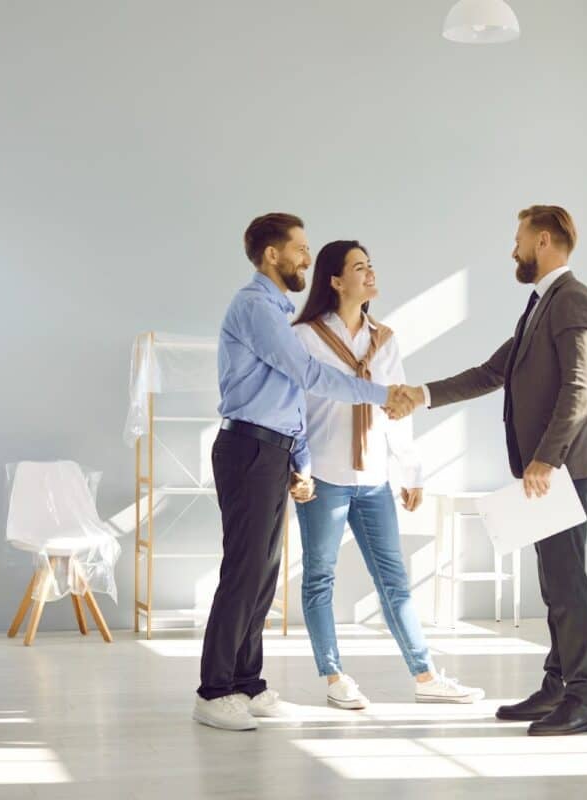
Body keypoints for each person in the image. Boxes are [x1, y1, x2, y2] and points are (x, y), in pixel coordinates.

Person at [193, 214, 414, 732]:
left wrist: (299, 461)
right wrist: (383, 395)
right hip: (247, 447)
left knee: (265, 574)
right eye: (300, 250)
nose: (306, 260)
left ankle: (248, 683)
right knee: (244, 572)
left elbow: (289, 401)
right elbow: (307, 375)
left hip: (270, 450)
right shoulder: (256, 308)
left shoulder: (275, 309)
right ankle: (213, 690)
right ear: (272, 255)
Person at [398, 205, 587, 736]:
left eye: (518, 240)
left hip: (563, 467)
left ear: (542, 240)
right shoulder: (541, 306)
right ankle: (557, 687)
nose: (512, 250)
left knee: (566, 583)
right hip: (548, 468)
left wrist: (546, 458)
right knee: (553, 580)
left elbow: (580, 389)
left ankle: (586, 698)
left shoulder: (574, 300)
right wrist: (421, 395)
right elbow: (494, 372)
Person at [291, 240, 484, 708]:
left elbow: (397, 407)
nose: (371, 273)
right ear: (335, 281)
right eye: (360, 267)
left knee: (394, 581)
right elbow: (293, 409)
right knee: (320, 577)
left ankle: (426, 675)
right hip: (325, 476)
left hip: (374, 476)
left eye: (371, 265)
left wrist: (411, 471)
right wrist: (297, 469)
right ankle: (335, 677)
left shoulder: (386, 340)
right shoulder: (305, 337)